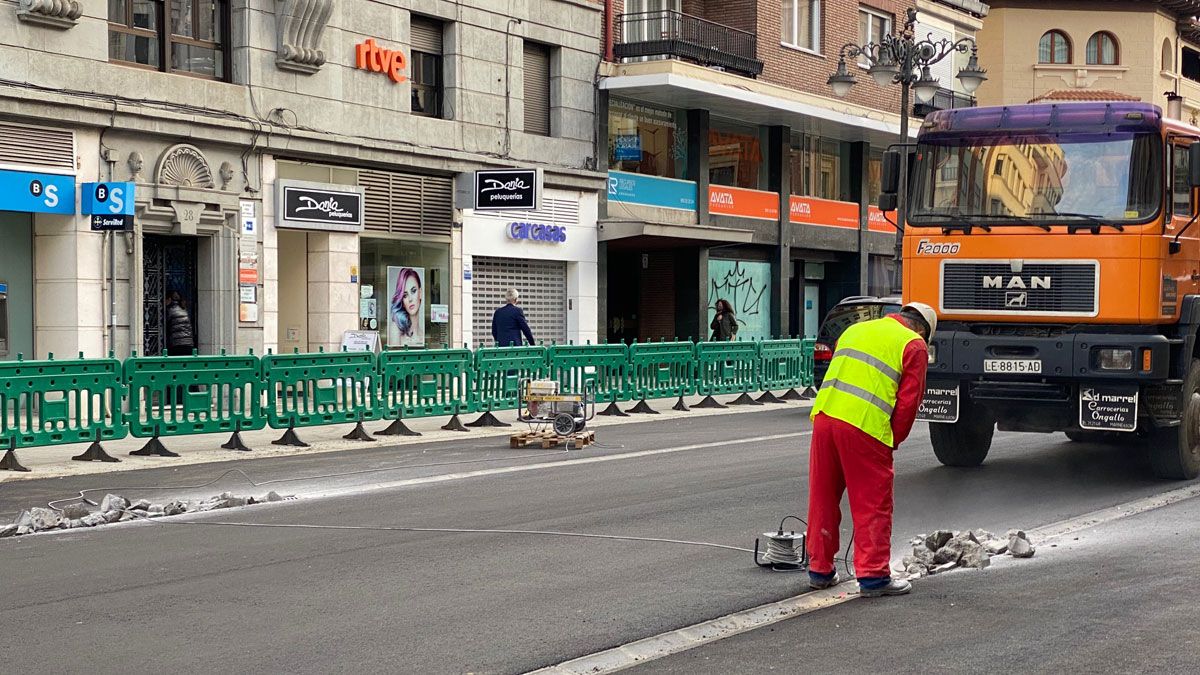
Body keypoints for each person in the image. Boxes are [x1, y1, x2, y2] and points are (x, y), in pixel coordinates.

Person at [805, 302, 936, 598]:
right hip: (864, 425)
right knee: (872, 503)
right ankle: (874, 576)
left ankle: (820, 571)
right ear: (921, 329)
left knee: (822, 496)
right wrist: (892, 440)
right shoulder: (913, 345)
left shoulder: (855, 329)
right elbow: (908, 403)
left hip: (825, 417)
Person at [390, 267, 424, 346]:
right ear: (402, 300)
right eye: (405, 295)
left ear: (420, 293)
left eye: (413, 291)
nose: (410, 299)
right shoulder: (395, 329)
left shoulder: (423, 336)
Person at [165, 291, 195, 357]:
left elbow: (163, 324)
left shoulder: (169, 310)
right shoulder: (184, 309)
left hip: (177, 344)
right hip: (189, 343)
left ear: (169, 299)